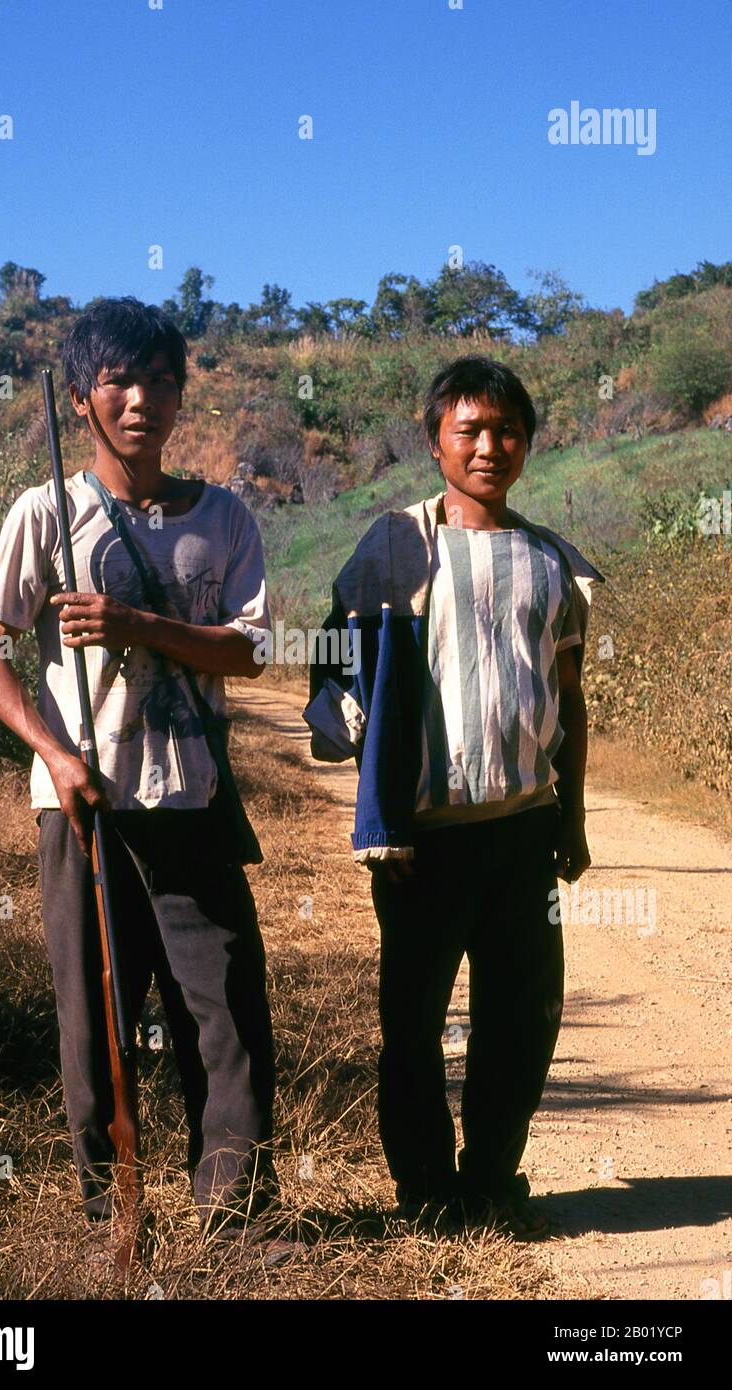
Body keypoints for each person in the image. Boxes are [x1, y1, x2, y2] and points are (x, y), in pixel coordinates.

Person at [0, 297, 278, 1254]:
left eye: (158, 380)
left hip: (192, 801)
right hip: (84, 809)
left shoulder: (223, 516)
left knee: (224, 1014)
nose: (139, 399)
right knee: (94, 1019)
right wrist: (55, 756)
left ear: (183, 393)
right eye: (116, 382)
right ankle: (115, 1219)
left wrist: (139, 625)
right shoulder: (46, 511)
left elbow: (252, 654)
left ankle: (234, 1221)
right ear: (82, 396)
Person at [304, 355, 603, 1240]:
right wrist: (357, 736)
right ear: (434, 440)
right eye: (467, 429)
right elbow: (329, 672)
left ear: (526, 444)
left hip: (523, 829)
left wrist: (573, 816)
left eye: (505, 430)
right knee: (413, 1024)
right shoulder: (394, 546)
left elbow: (569, 699)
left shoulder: (554, 563)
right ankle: (425, 1194)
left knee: (522, 1018)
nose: (488, 446)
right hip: (421, 842)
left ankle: (489, 1182)